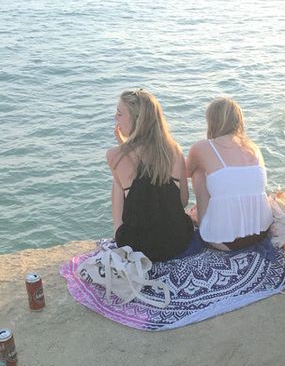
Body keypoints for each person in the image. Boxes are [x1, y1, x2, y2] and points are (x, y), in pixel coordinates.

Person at [108, 90, 196, 262]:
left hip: (135, 247)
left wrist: (123, 146)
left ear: (136, 120)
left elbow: (134, 167)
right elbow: (183, 201)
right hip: (177, 242)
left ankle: (117, 235)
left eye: (119, 113)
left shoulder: (115, 155)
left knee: (118, 182)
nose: (115, 117)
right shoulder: (174, 150)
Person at [188, 97, 272, 252]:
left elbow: (186, 172)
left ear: (211, 121)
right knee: (224, 178)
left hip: (223, 239)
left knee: (198, 172)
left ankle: (201, 218)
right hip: (262, 230)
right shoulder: (253, 147)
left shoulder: (201, 147)